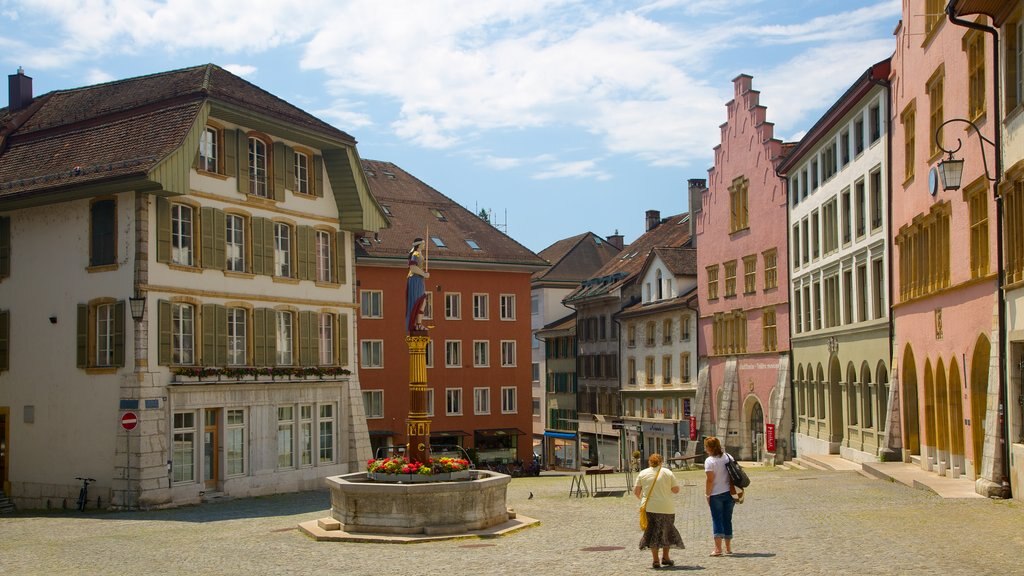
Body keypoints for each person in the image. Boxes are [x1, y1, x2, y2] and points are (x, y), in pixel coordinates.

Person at [633, 453, 684, 569]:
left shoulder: (643, 473)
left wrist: (644, 499)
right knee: (667, 531)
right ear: (661, 462)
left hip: (650, 508)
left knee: (652, 532)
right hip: (667, 507)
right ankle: (665, 557)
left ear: (649, 462)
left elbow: (636, 492)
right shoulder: (668, 473)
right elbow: (676, 490)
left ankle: (655, 560)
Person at [703, 436, 736, 557]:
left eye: (706, 446)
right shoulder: (728, 457)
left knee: (717, 519)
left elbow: (710, 480)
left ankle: (718, 549)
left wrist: (707, 494)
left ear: (709, 448)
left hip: (716, 494)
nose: (705, 449)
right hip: (730, 492)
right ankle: (728, 548)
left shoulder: (710, 461)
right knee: (727, 519)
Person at [405, 238, 429, 333]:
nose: (424, 245)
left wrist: (423, 275)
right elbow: (413, 267)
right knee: (417, 302)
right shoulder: (416, 254)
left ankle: (418, 324)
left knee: (422, 302)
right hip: (415, 279)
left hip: (419, 280)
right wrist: (424, 274)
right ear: (418, 245)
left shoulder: (420, 255)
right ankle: (416, 324)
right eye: (423, 243)